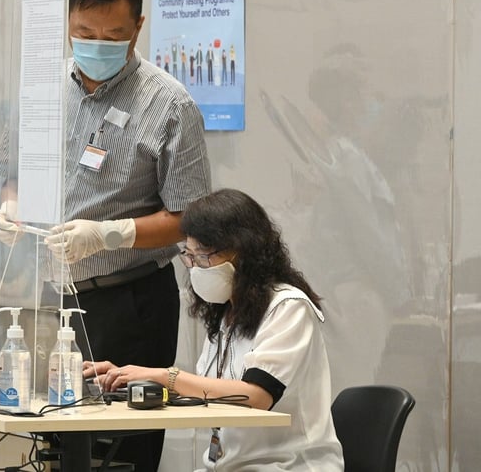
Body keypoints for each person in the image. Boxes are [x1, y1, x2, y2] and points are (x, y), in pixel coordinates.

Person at [0, 0, 212, 470]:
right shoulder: (43, 89)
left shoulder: (169, 103)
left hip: (132, 300)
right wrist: (11, 205)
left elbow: (189, 216)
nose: (97, 43)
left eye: (113, 35)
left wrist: (111, 234)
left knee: (121, 452)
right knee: (55, 447)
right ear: (68, 24)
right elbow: (14, 170)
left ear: (138, 27)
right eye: (84, 33)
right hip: (54, 297)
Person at [86, 189, 344, 471]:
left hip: (286, 465)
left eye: (204, 257)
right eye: (190, 256)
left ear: (243, 251)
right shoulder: (227, 314)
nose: (196, 268)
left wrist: (164, 375)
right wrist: (128, 378)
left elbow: (256, 396)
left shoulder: (288, 306)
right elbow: (208, 394)